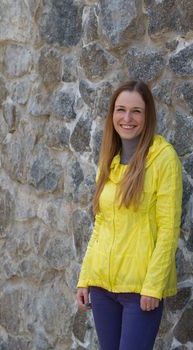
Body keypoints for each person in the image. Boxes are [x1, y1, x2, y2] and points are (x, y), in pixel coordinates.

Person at [76, 80, 182, 350]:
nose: (127, 118)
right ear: (112, 114)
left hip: (140, 291)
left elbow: (169, 229)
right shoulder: (108, 161)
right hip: (102, 288)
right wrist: (85, 278)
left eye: (136, 111)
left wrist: (153, 287)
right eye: (121, 109)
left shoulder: (163, 158)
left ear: (148, 117)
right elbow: (100, 223)